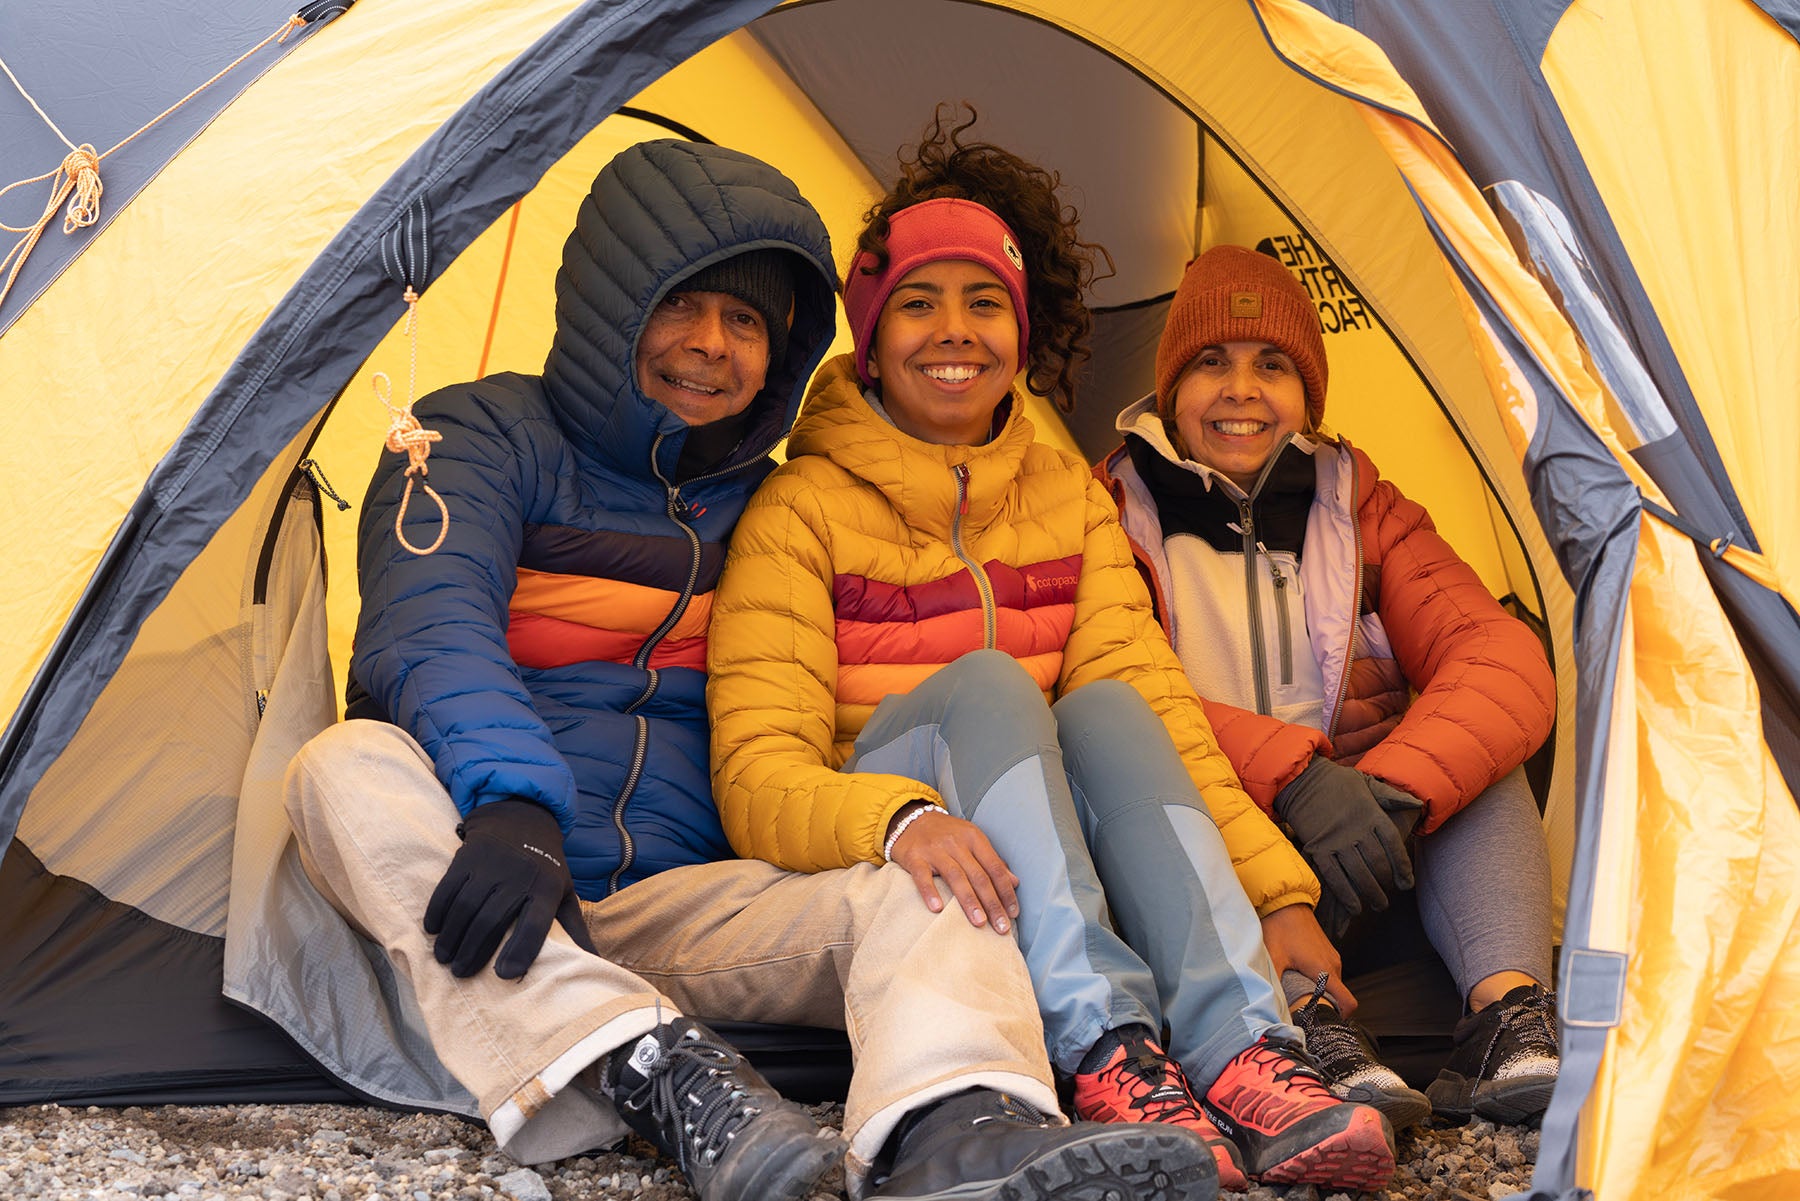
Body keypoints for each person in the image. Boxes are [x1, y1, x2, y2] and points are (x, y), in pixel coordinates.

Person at [285, 139, 1217, 1201]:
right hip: (479, 887)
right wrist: (511, 803)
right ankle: (656, 1071)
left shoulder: (770, 502)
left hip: (680, 900)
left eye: (747, 324)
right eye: (682, 306)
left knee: (929, 877)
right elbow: (427, 625)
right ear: (609, 306)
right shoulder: (475, 436)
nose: (712, 347)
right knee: (342, 764)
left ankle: (963, 1126)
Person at [707, 113, 1395, 1194]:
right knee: (988, 683)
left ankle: (1241, 1047)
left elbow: (1159, 707)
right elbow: (755, 771)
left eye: (986, 303)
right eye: (920, 303)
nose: (956, 331)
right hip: (894, 836)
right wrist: (897, 818)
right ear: (873, 335)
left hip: (1042, 847)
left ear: (1020, 336)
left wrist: (1275, 894)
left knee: (1115, 705)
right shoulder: (799, 510)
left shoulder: (1067, 495)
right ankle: (1104, 1046)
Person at [1094, 242, 1561, 1128]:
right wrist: (1296, 780)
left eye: (1272, 364)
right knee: (1138, 778)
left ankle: (1506, 1014)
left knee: (1482, 753)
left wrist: (1391, 791)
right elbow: (1119, 691)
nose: (1240, 388)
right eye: (1211, 363)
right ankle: (1307, 1028)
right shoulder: (1107, 514)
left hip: (1366, 848)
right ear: (1167, 389)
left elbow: (1497, 654)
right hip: (1221, 839)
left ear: (1308, 394)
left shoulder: (1363, 506)